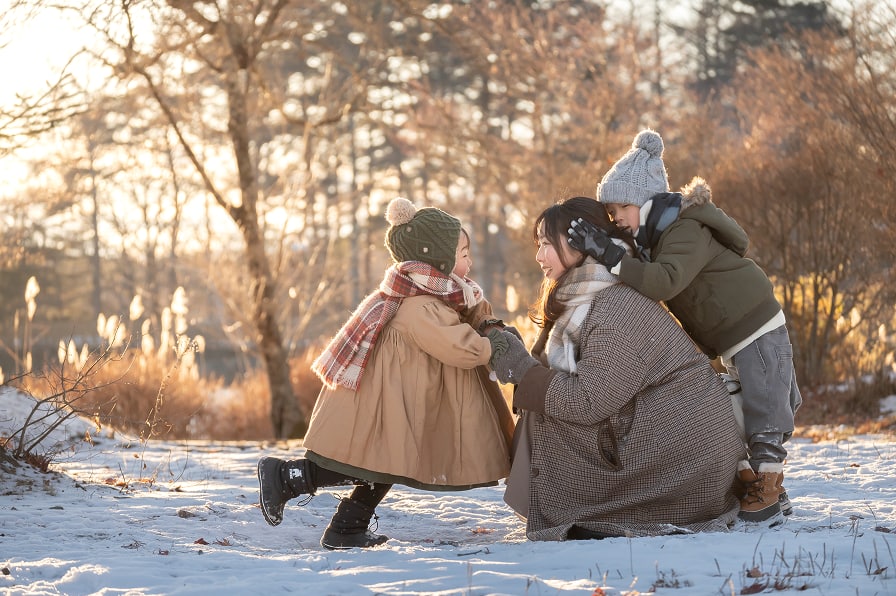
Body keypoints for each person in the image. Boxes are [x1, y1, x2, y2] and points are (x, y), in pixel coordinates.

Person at [567, 129, 803, 523]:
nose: (617, 218)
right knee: (734, 408)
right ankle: (763, 485)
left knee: (764, 408)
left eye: (621, 207)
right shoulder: (654, 238)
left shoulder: (684, 228)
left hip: (755, 326)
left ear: (645, 202)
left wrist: (612, 256)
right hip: (731, 336)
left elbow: (664, 281)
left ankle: (769, 488)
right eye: (611, 212)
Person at [256, 197, 514, 549]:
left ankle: (348, 527)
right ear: (437, 258)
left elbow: (470, 311)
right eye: (463, 252)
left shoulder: (438, 293)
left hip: (397, 400)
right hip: (379, 402)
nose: (470, 260)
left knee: (387, 463)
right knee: (358, 464)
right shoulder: (420, 305)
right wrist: (491, 348)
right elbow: (455, 345)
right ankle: (287, 476)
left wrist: (486, 321)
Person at [486, 196, 745, 541]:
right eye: (539, 245)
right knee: (542, 398)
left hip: (686, 468)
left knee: (547, 409)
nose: (539, 256)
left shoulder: (615, 310)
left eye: (548, 244)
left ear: (580, 244)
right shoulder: (592, 295)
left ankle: (580, 506)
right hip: (665, 441)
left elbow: (588, 402)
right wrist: (517, 356)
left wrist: (520, 367)